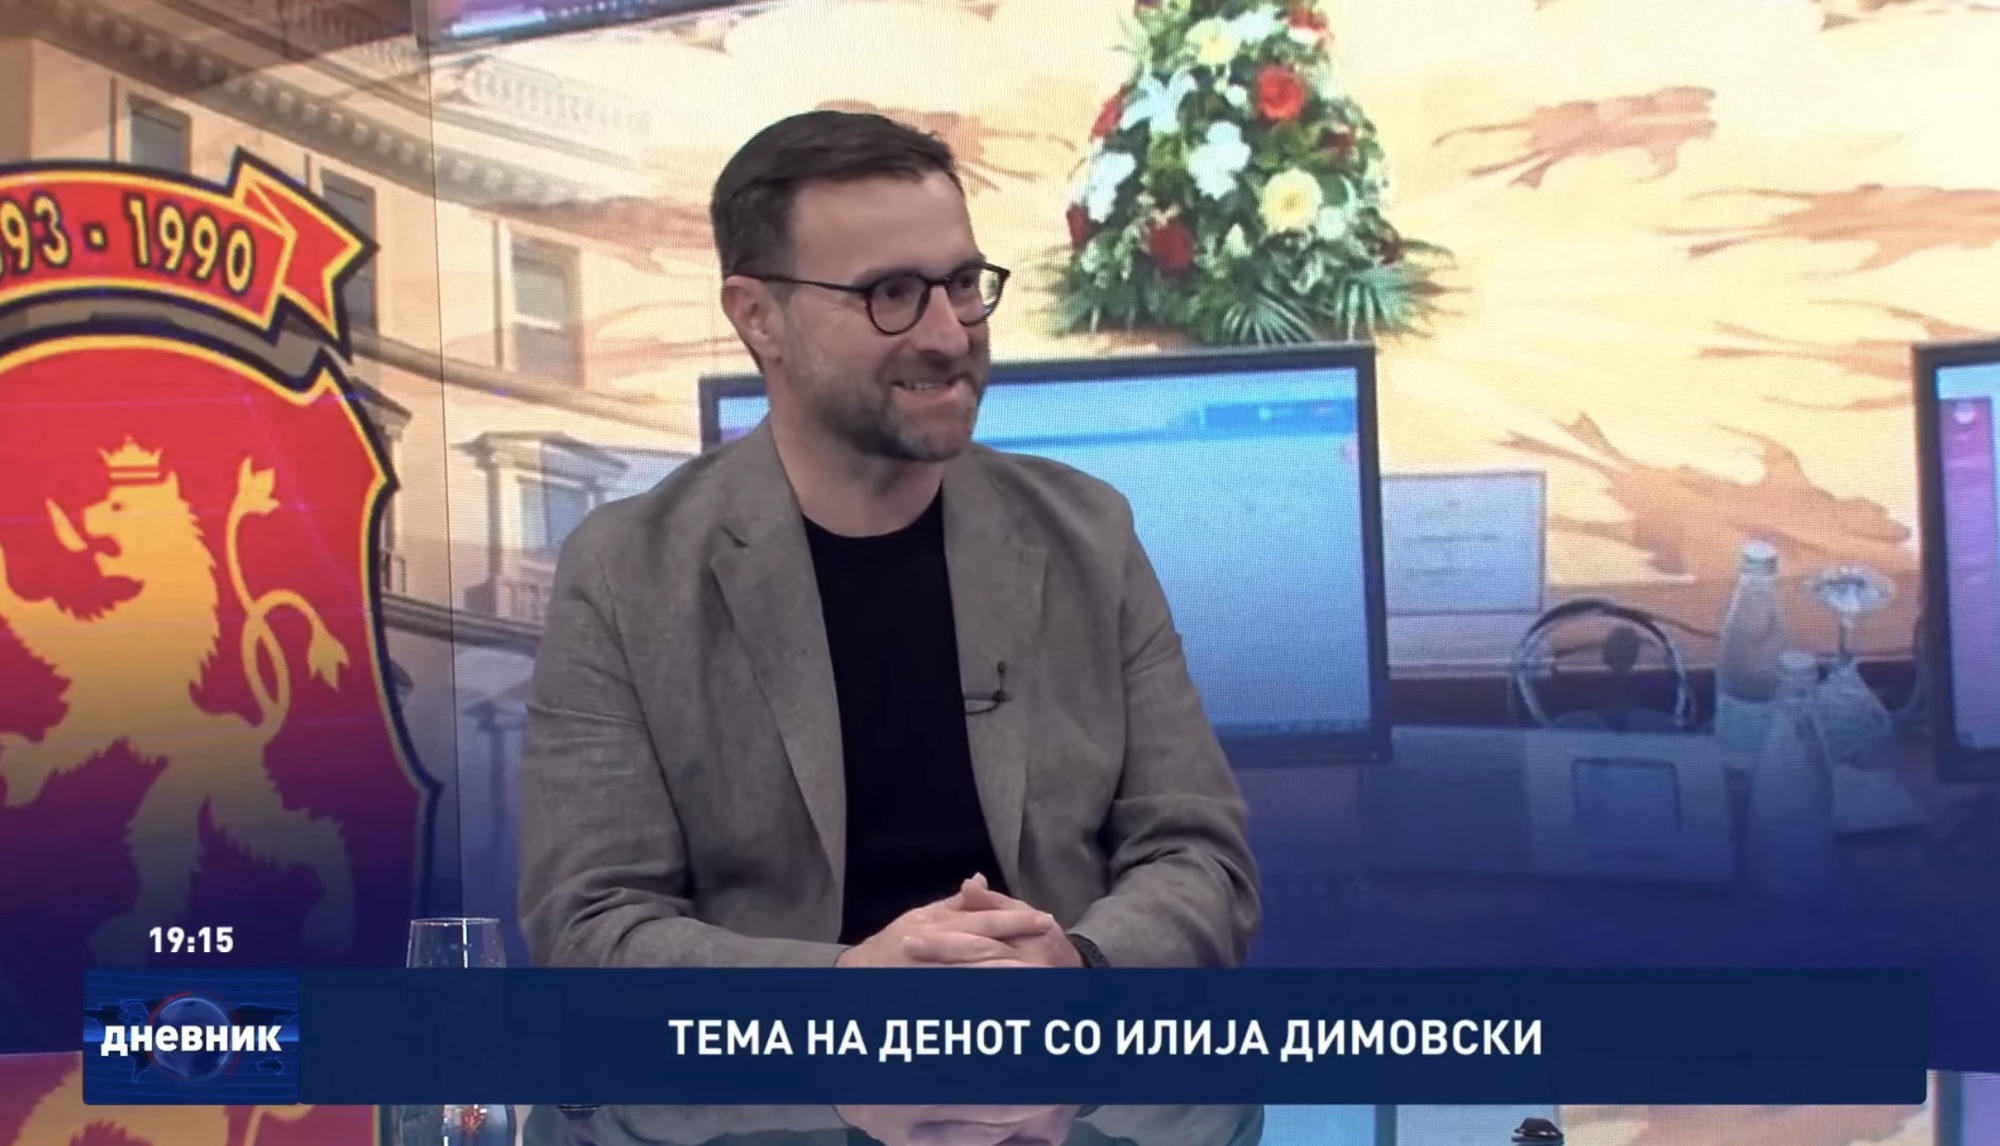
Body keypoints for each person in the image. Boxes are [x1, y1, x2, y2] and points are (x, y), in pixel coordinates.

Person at [516, 109, 1259, 971]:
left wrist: (1076, 965)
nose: (948, 335)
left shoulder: (1089, 535)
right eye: (892, 294)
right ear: (758, 317)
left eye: (963, 283)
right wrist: (847, 989)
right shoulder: (627, 575)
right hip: (781, 1057)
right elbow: (590, 926)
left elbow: (1201, 861)